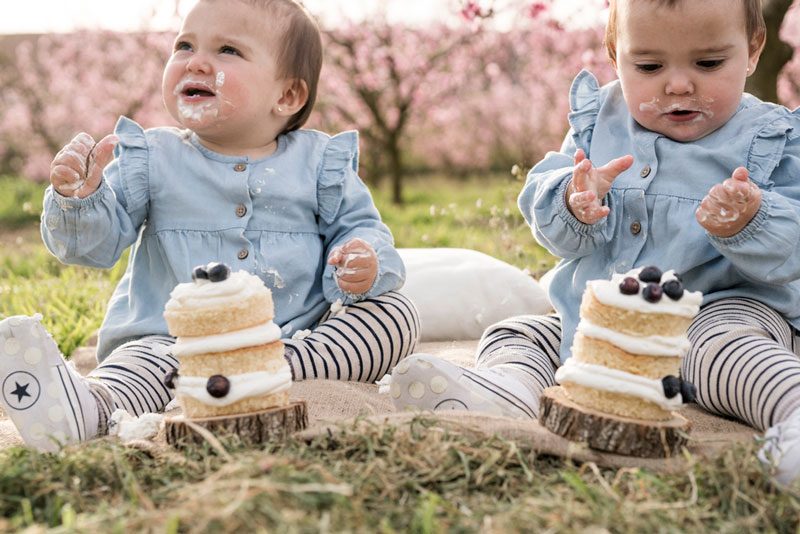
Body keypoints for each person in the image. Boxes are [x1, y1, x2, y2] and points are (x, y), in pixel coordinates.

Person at [391, 0, 800, 484]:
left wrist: (752, 220)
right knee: (520, 333)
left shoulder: (772, 138)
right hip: (594, 326)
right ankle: (507, 391)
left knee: (725, 349)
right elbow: (551, 228)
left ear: (753, 51)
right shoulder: (595, 122)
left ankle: (790, 412)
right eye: (649, 66)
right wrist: (572, 202)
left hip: (715, 310)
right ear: (615, 52)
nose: (678, 84)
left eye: (708, 63)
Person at [0, 0, 419, 451]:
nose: (195, 61)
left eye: (228, 51)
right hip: (172, 345)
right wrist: (81, 202)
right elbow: (93, 249)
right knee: (137, 367)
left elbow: (361, 227)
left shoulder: (320, 166)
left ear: (287, 96)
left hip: (290, 340)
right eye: (184, 45)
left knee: (394, 316)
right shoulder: (153, 157)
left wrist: (363, 258)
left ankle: (268, 373)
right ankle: (90, 409)